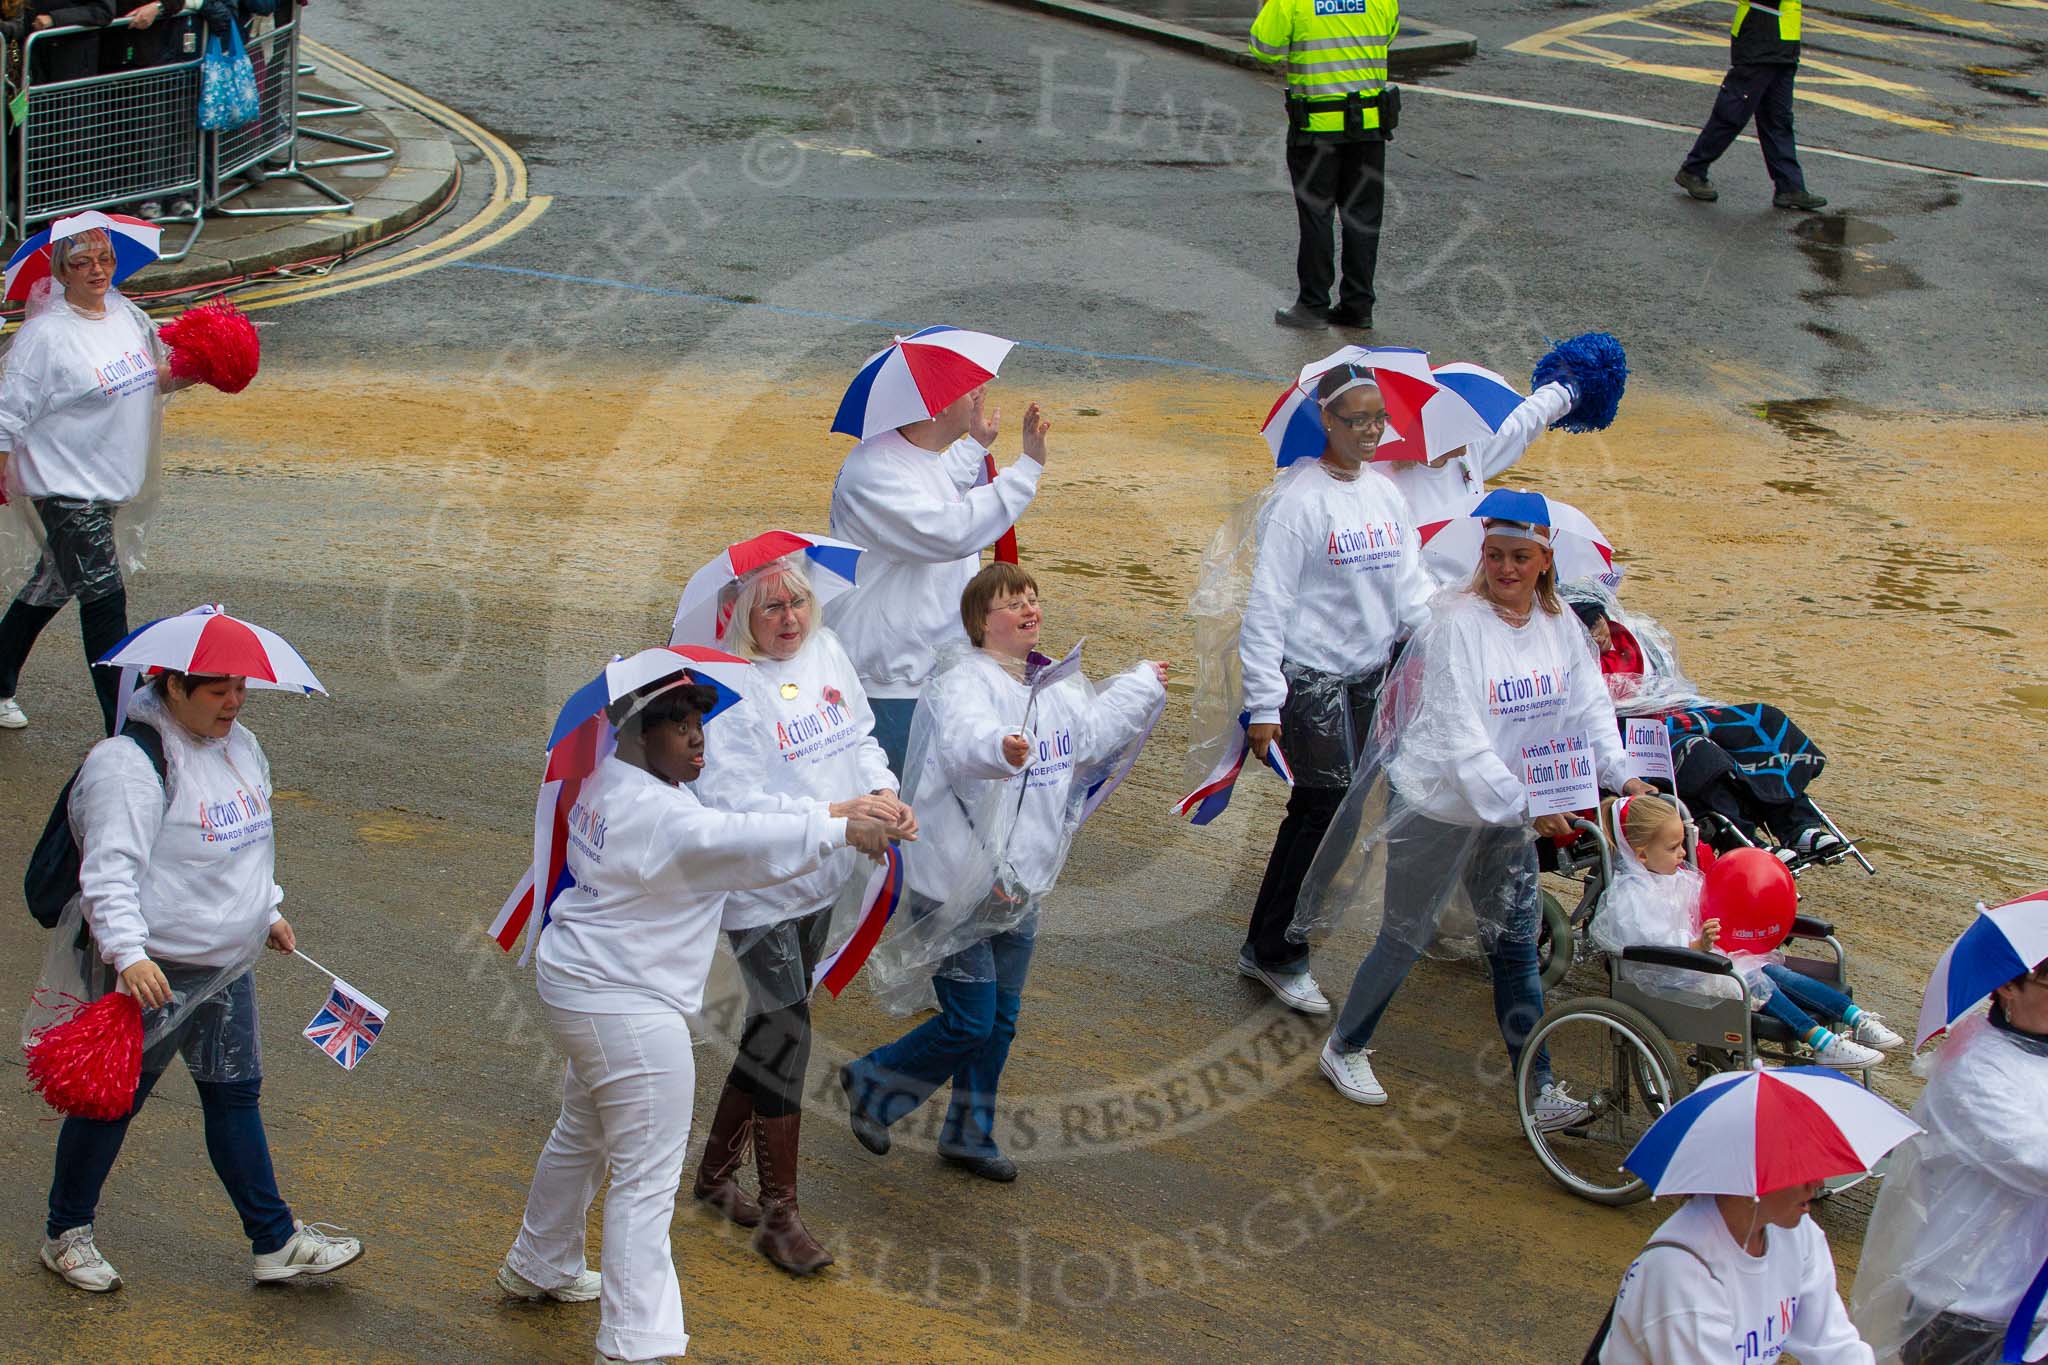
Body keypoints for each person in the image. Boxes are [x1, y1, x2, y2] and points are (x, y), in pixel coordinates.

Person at [499, 672, 889, 1363]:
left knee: (583, 1131)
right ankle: (634, 1344)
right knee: (646, 1180)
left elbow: (737, 823)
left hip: (580, 983)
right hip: (626, 1005)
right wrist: (840, 829)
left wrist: (842, 810)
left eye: (701, 722)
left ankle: (540, 1262)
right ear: (639, 734)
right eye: (680, 725)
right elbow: (743, 840)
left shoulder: (603, 775)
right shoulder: (666, 816)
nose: (698, 738)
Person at [1295, 514, 1652, 1124]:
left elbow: (1590, 706)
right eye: (1495, 555)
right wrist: (1528, 804)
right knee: (1405, 935)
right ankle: (1344, 1046)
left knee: (1513, 945)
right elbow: (1461, 736)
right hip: (1439, 804)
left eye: (1519, 557)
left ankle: (1537, 1090)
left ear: (1545, 562)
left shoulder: (1560, 622)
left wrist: (1623, 776)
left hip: (1513, 807)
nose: (1506, 569)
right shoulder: (1455, 623)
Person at [35, 667, 362, 1292]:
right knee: (114, 1103)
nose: (235, 702)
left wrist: (265, 909)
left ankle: (275, 1243)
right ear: (174, 689)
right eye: (218, 691)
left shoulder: (240, 746)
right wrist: (129, 955)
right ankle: (66, 1234)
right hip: (153, 971)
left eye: (240, 688)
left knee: (235, 1093)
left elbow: (247, 845)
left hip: (224, 966)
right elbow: (109, 871)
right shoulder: (128, 766)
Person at [839, 563, 1165, 1182]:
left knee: (1002, 1018)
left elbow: (1090, 738)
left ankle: (969, 1133)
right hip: (959, 884)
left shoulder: (1056, 683)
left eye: (1033, 599)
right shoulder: (964, 682)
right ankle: (874, 1082)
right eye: (1013, 602)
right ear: (979, 620)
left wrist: (1141, 685)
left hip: (1023, 883)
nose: (1029, 609)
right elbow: (965, 745)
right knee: (969, 1019)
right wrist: (1001, 749)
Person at [688, 553, 916, 1275]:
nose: (789, 619)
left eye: (796, 604)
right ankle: (779, 1213)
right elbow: (733, 804)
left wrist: (883, 793)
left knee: (770, 1025)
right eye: (771, 608)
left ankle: (714, 1177)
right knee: (788, 1032)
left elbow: (861, 739)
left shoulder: (827, 649)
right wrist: (837, 812)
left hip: (823, 873)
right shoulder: (727, 689)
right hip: (758, 886)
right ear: (741, 616)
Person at [1237, 363, 1432, 1015]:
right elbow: (1268, 603)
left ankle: (1268, 941)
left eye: (1380, 418)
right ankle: (1279, 951)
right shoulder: (1300, 501)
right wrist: (1264, 702)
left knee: (1328, 815)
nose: (1373, 430)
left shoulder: (1384, 495)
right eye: (1358, 419)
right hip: (1310, 676)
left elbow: (1410, 587)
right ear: (1327, 420)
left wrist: (1447, 636)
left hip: (1368, 675)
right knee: (1324, 813)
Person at [0, 226, 190, 735]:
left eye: (104, 257)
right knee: (105, 599)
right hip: (64, 489)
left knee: (51, 585)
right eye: (82, 261)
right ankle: (127, 726)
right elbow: (7, 407)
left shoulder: (125, 316)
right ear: (60, 271)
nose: (97, 269)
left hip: (107, 483)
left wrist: (207, 366)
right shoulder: (45, 335)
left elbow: (154, 376)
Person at [828, 387, 1050, 774]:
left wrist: (976, 446)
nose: (978, 394)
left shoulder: (898, 454)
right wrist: (1027, 469)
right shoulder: (873, 472)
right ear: (939, 403)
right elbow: (950, 530)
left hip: (925, 672)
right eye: (967, 389)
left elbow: (935, 488)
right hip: (892, 687)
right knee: (905, 815)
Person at [1589, 792, 1899, 1068]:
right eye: (1673, 848)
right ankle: (1820, 1041)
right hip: (1671, 973)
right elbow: (1647, 943)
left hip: (1707, 961)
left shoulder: (1677, 878)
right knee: (1753, 979)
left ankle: (1855, 1017)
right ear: (1642, 854)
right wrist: (1696, 944)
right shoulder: (1631, 895)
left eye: (1683, 844)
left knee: (1771, 971)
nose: (1683, 853)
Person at [1853, 954, 2048, 1365]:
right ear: (2007, 986)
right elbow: (2034, 1160)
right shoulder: (1974, 1066)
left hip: (2035, 1303)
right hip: (1967, 1304)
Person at [1569, 590, 1845, 862]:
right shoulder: (1565, 656)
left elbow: (1667, 681)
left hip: (1666, 711)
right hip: (1621, 731)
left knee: (1764, 721)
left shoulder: (1630, 639)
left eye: (1598, 621)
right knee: (1698, 752)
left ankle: (1797, 825)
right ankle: (1742, 838)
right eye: (1588, 627)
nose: (1597, 631)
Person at [1596, 1182, 1874, 1363]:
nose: (1818, 1183)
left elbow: (1833, 1344)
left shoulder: (1797, 1234)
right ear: (1751, 1170)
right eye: (1799, 1166)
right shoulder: (1682, 1273)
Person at [1249, 0, 1399, 332]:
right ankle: (1358, 306)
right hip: (1370, 126)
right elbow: (1389, 34)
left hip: (1317, 127)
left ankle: (1313, 306)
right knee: (1362, 216)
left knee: (1317, 214)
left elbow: (1264, 48)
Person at [1674, 0, 1826, 211]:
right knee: (1732, 113)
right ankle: (1693, 170)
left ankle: (1789, 187)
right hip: (1759, 39)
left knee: (1778, 120)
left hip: (1783, 45)